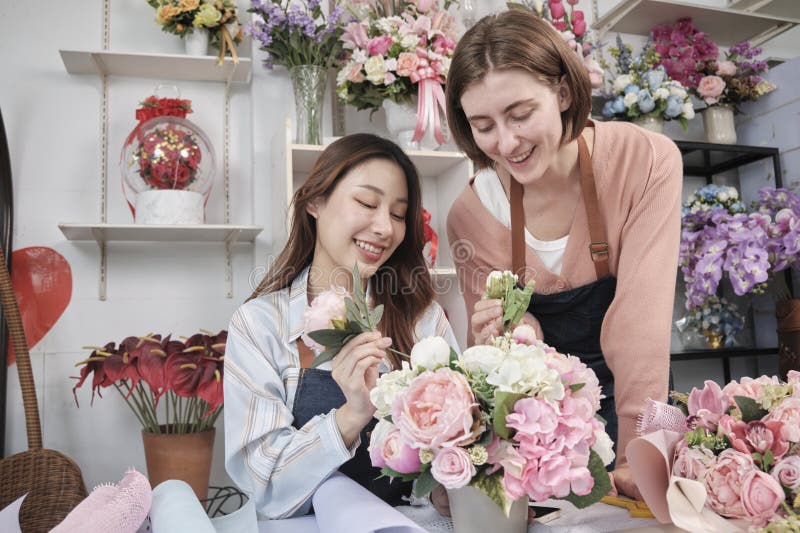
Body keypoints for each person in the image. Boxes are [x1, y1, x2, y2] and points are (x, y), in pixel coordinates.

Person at [441, 10, 682, 505]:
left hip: (642, 393)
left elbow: (641, 321)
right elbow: (491, 359)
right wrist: (512, 333)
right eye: (483, 125)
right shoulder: (470, 213)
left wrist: (639, 447)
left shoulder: (647, 163)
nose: (506, 143)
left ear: (564, 93)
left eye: (521, 114)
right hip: (545, 422)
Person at [224, 134, 458, 519]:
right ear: (314, 201)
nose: (385, 227)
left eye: (399, 215)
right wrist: (351, 416)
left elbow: (449, 452)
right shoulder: (259, 326)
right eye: (367, 203)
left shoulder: (423, 319)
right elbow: (265, 488)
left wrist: (441, 492)